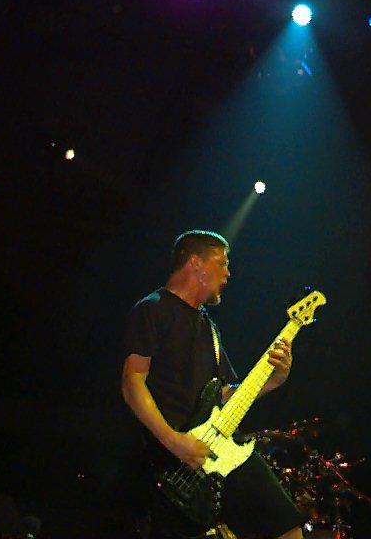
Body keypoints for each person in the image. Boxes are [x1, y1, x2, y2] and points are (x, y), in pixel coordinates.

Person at [122, 230, 304, 539]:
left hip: (221, 449)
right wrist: (174, 441)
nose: (228, 274)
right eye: (223, 263)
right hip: (175, 464)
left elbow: (224, 394)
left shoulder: (210, 327)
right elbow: (132, 382)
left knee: (287, 526)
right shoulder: (153, 308)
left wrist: (272, 381)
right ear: (196, 263)